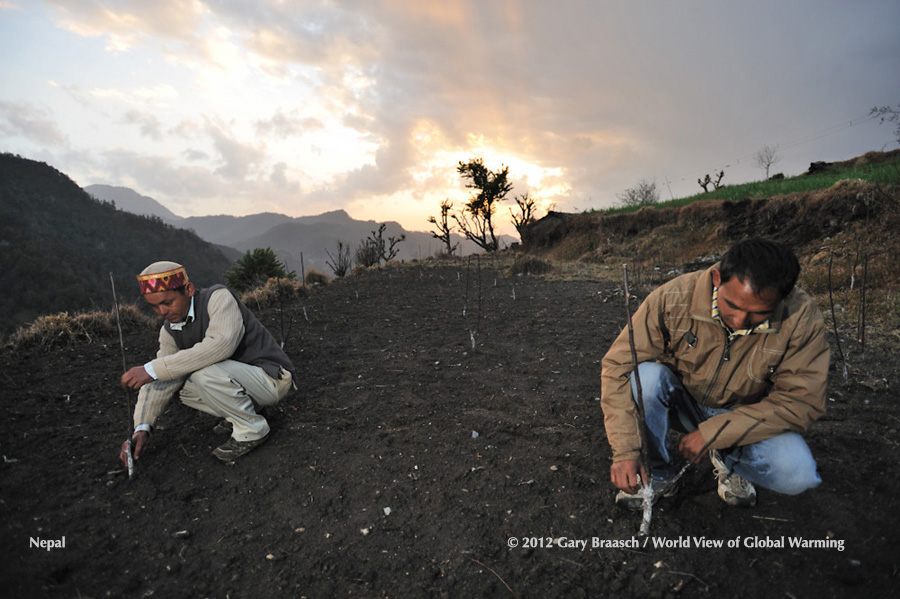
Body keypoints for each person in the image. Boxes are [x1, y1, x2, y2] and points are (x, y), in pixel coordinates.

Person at [600, 238, 830, 508]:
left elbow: (801, 402)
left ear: (781, 298)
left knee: (797, 471)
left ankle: (731, 462)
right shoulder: (673, 297)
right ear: (717, 278)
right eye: (732, 305)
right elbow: (617, 366)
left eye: (759, 314)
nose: (740, 321)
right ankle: (657, 473)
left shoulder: (801, 317)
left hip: (742, 415)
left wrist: (718, 432)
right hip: (681, 402)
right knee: (648, 378)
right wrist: (626, 451)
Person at [119, 261, 296, 464]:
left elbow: (221, 345)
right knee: (175, 381)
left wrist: (152, 369)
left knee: (200, 374)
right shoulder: (170, 330)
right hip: (243, 382)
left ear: (189, 289)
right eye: (154, 307)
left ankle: (252, 430)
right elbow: (160, 377)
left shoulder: (218, 298)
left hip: (271, 378)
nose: (162, 312)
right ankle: (244, 413)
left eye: (167, 303)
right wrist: (142, 427)